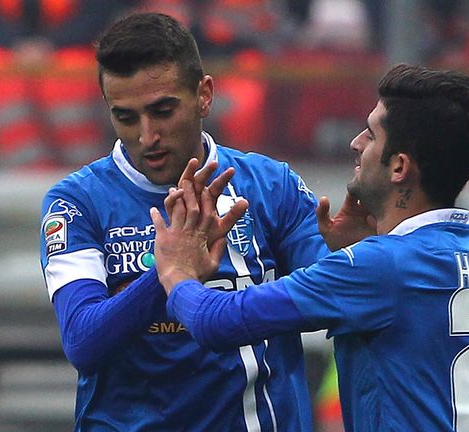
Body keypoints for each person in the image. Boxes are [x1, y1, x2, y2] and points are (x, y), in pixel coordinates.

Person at [152, 64, 469, 431]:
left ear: (399, 167)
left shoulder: (376, 268)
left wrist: (175, 270)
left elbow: (217, 323)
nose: (355, 142)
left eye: (371, 134)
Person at [39, 12, 329, 430]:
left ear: (204, 95)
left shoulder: (271, 185)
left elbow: (328, 296)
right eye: (126, 117)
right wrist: (167, 274)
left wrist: (351, 255)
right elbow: (83, 342)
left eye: (163, 110)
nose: (147, 136)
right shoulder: (76, 203)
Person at [0, 0, 129, 170]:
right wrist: (19, 46)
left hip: (77, 49)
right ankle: (30, 174)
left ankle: (87, 178)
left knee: (67, 89)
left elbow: (98, 13)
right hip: (1, 51)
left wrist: (51, 45)